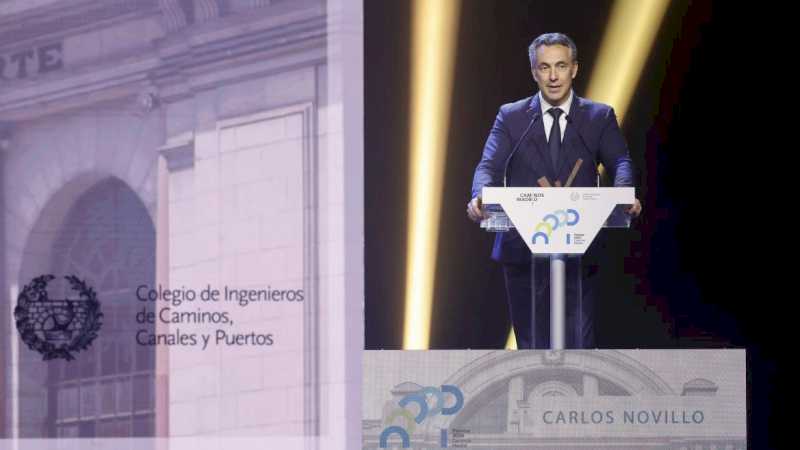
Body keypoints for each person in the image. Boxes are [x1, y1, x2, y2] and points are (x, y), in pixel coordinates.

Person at [467, 32, 642, 349]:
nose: (552, 76)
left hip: (580, 250)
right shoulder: (512, 116)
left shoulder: (598, 117)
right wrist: (481, 195)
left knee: (579, 350)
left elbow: (620, 161)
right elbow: (488, 167)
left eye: (560, 66)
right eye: (544, 67)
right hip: (523, 251)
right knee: (531, 351)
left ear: (574, 68)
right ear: (534, 71)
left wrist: (624, 193)